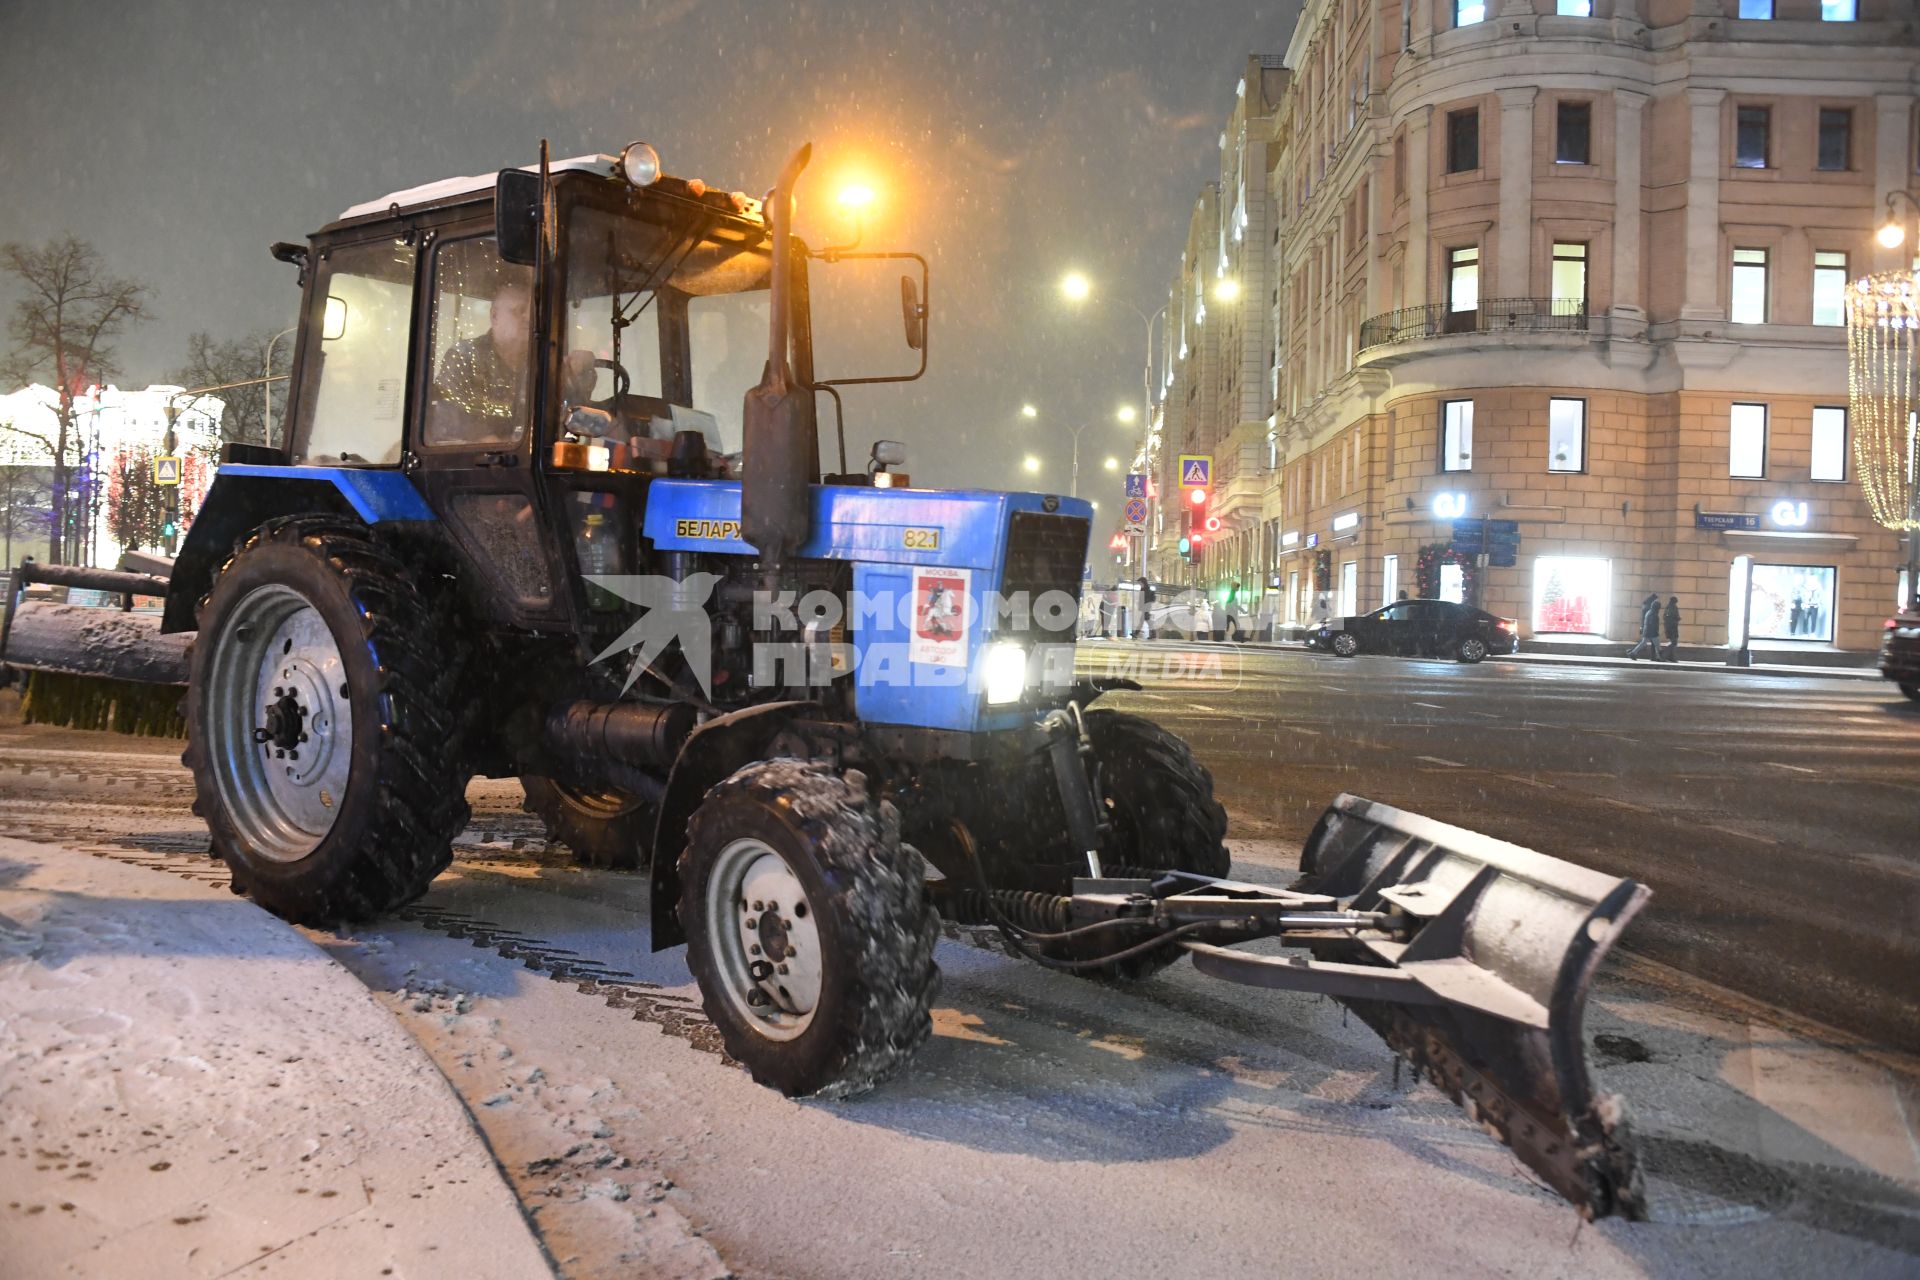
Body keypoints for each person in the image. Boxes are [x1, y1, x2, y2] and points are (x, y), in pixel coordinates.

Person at [430, 278, 595, 445]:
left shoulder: (543, 363)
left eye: (532, 312)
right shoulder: (464, 356)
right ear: (494, 316)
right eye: (519, 311)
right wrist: (495, 442)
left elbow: (573, 419)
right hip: (476, 465)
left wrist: (578, 373)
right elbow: (451, 419)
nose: (528, 318)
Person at [1626, 592, 1661, 659]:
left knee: (1644, 643)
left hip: (1646, 629)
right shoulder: (1651, 610)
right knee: (1655, 644)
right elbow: (1652, 623)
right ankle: (1657, 657)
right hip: (1650, 630)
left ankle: (1633, 652)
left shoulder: (1647, 607)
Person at [1660, 595, 1681, 662]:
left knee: (1673, 642)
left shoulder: (1668, 607)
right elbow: (1672, 618)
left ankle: (1671, 657)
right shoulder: (1673, 607)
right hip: (1672, 628)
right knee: (1674, 643)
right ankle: (1664, 654)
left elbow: (1666, 617)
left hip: (1669, 627)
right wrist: (1677, 619)